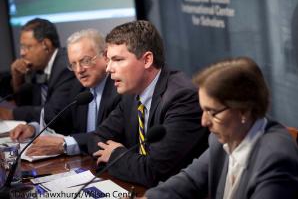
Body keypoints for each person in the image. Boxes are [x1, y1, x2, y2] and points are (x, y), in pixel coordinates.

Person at [48, 20, 207, 187]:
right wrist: (130, 162)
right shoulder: (131, 94)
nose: (109, 68)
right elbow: (96, 138)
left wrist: (116, 154)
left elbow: (154, 171)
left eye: (117, 59)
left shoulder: (182, 97)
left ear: (147, 60)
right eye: (108, 60)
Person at [143, 57, 298, 199]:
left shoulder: (276, 158)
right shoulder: (222, 138)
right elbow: (190, 181)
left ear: (244, 110)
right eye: (203, 110)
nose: (204, 121)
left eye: (212, 112)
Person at [10, 29, 121, 156]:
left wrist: (65, 144)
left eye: (85, 61)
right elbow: (62, 121)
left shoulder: (118, 89)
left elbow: (109, 136)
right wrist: (33, 129)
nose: (79, 70)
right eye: (73, 64)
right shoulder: (78, 88)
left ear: (105, 56)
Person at [0, 18, 76, 123]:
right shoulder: (37, 68)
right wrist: (16, 77)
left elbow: (54, 113)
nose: (22, 53)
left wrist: (11, 114)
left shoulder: (66, 67)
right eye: (22, 47)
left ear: (46, 45)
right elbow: (24, 104)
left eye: (28, 47)